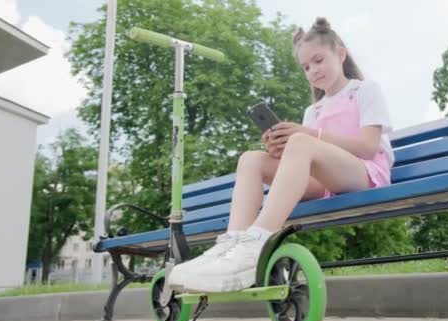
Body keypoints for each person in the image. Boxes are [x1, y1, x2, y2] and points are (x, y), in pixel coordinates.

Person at [169, 17, 394, 292]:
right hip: (324, 182)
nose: (312, 71)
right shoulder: (314, 111)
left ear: (340, 52)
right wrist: (279, 149)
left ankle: (257, 242)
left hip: (364, 174)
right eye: (306, 67)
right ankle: (233, 243)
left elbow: (369, 147)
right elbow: (306, 155)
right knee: (251, 159)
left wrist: (308, 137)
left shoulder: (363, 90)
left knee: (300, 140)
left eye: (319, 60)